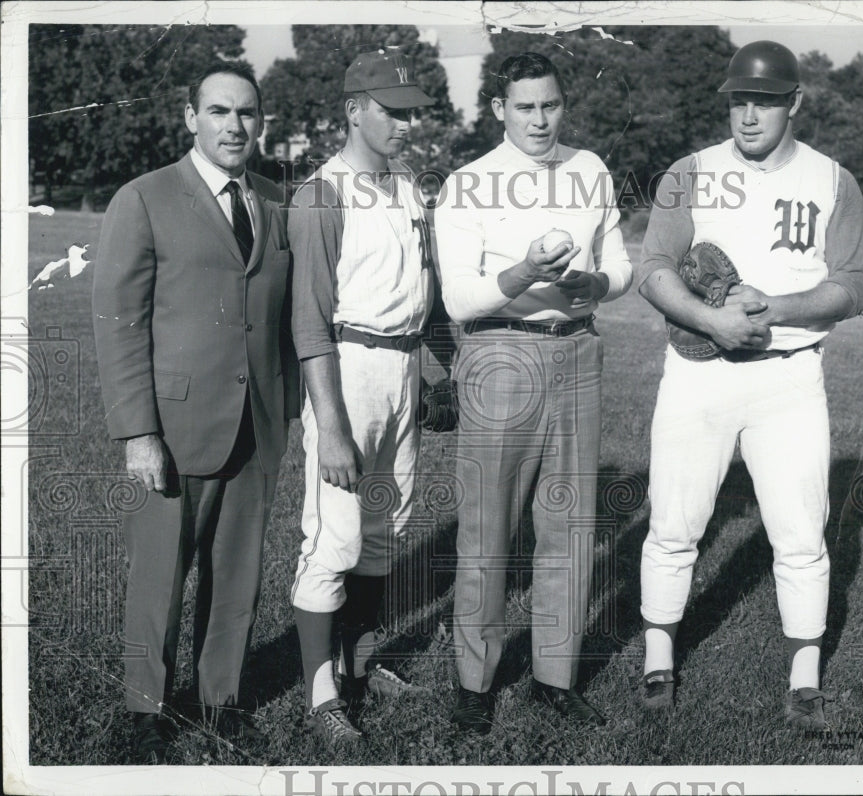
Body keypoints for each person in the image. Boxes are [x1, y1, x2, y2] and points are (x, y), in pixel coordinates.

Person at [636, 40, 863, 730]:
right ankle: (657, 663)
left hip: (790, 378)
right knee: (674, 523)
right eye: (739, 99)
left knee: (801, 533)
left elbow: (853, 287)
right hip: (699, 373)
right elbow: (654, 266)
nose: (748, 114)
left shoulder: (833, 181)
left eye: (764, 100)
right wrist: (711, 317)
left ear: (794, 102)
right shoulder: (690, 172)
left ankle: (803, 682)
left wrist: (779, 310)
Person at [93, 62, 298, 762]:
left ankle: (222, 699)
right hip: (172, 432)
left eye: (245, 113)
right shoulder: (144, 198)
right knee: (158, 574)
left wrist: (290, 413)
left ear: (259, 121)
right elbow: (119, 322)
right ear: (190, 118)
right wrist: (138, 432)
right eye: (217, 111)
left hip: (258, 424)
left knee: (237, 572)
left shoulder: (276, 200)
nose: (233, 125)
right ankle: (145, 709)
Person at [434, 52, 633, 735]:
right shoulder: (468, 183)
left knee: (570, 529)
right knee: (488, 529)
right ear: (499, 109)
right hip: (499, 353)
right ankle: (475, 682)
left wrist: (596, 285)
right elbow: (459, 299)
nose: (540, 119)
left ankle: (555, 676)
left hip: (578, 349)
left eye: (550, 105)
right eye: (525, 107)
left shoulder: (590, 169)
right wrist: (522, 272)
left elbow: (622, 265)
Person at [287, 51, 453, 745]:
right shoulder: (321, 194)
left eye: (411, 110)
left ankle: (358, 666)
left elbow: (429, 293)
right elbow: (308, 321)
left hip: (404, 364)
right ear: (353, 108)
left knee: (388, 528)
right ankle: (321, 693)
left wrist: (440, 372)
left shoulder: (411, 186)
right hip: (348, 368)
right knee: (336, 536)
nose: (404, 122)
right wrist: (330, 426)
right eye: (391, 108)